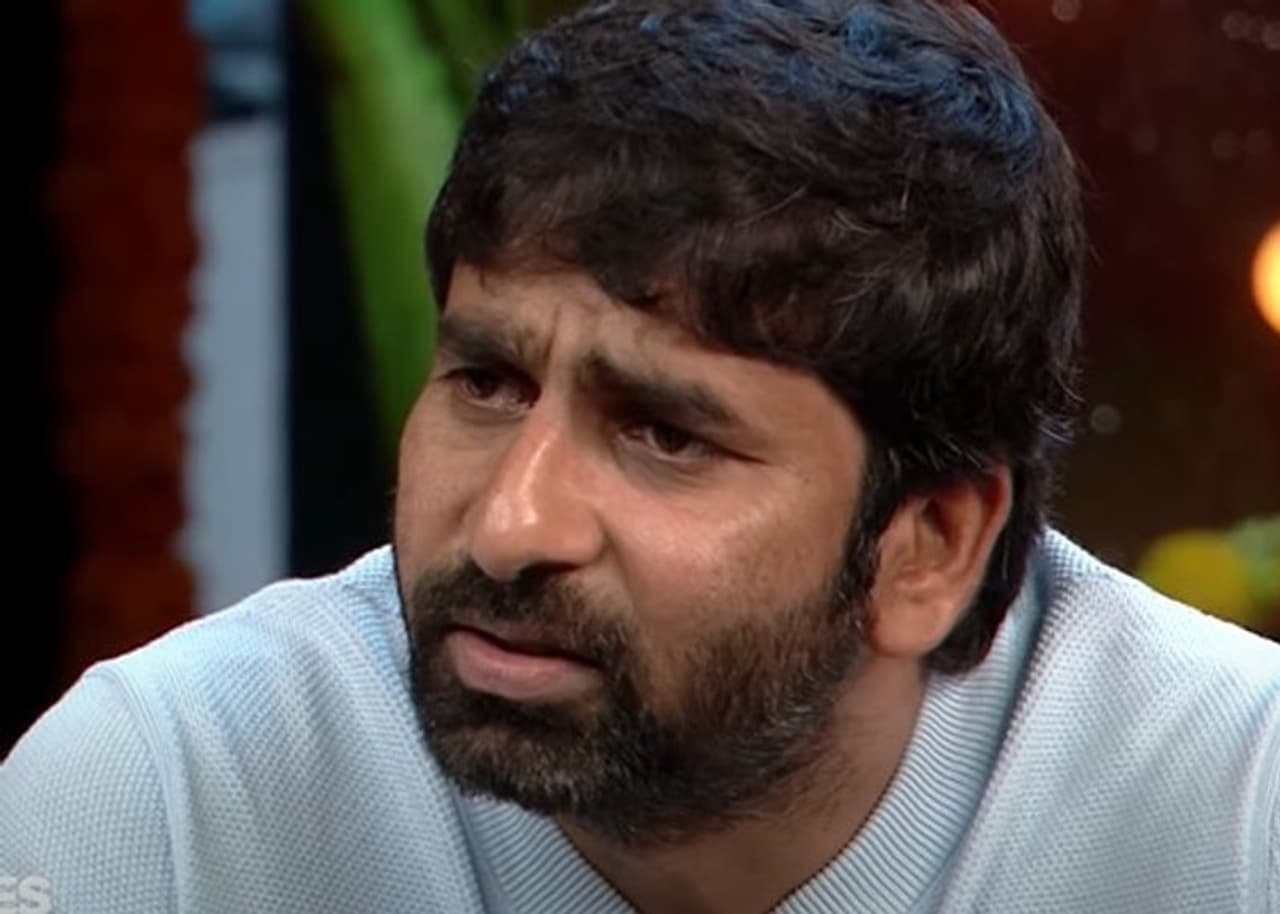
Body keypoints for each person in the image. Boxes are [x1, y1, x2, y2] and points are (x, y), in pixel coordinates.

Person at [3, 1, 1277, 911]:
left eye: (664, 434)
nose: (508, 525)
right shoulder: (167, 800)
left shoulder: (1235, 815)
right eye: (487, 383)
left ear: (929, 548)